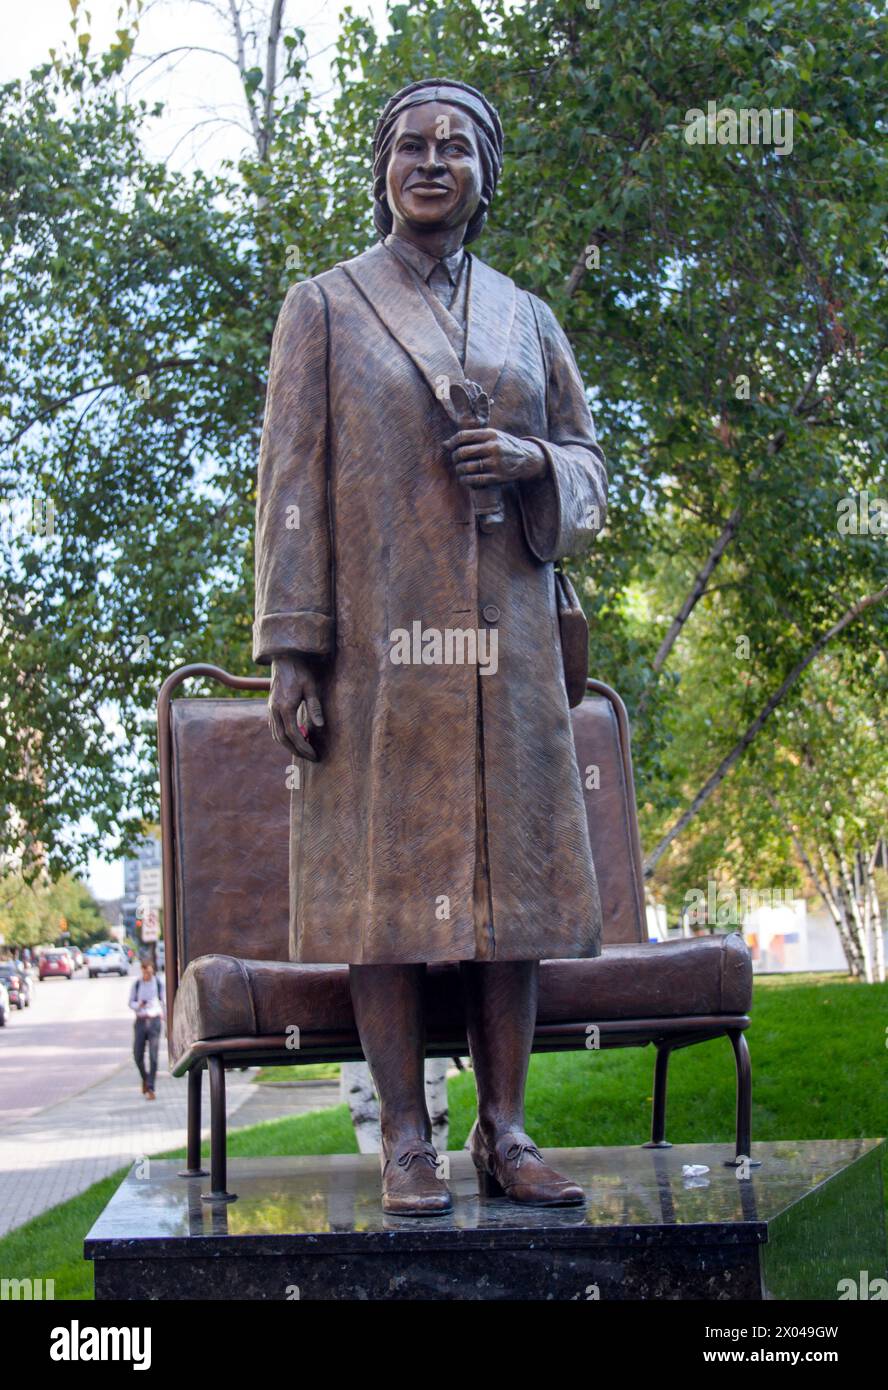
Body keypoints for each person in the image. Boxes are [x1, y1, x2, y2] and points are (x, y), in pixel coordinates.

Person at [253, 79, 607, 1215]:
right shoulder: (326, 306)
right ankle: (407, 1138)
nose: (433, 160)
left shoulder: (528, 317)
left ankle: (506, 1129)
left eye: (457, 147)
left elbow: (595, 475)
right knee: (384, 889)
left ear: (485, 178)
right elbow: (289, 491)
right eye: (411, 144)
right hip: (380, 653)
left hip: (507, 643)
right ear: (383, 170)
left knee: (518, 890)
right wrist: (294, 650)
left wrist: (532, 461)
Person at [129, 959, 164, 1100]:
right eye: (144, 972)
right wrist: (138, 1004)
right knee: (137, 1055)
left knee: (153, 1056)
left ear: (152, 971)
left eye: (149, 972)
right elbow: (130, 1002)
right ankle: (145, 1078)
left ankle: (151, 1087)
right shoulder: (137, 984)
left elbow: (164, 1001)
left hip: (155, 1020)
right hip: (141, 1021)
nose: (146, 975)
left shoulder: (159, 983)